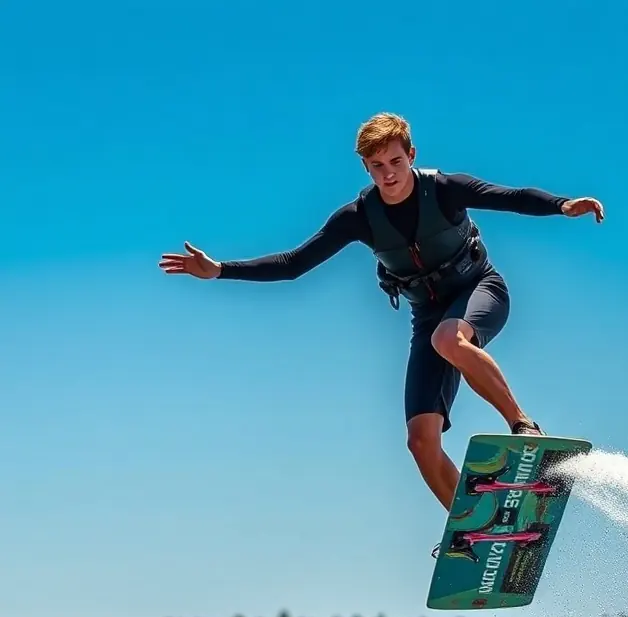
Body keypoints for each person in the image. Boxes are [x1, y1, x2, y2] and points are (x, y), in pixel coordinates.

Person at [159, 112, 603, 534]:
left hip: (478, 291)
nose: (388, 173)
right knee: (420, 441)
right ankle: (475, 530)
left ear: (411, 155)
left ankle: (524, 427)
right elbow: (295, 263)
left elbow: (509, 197)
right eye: (376, 166)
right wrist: (220, 270)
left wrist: (563, 205)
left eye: (395, 161)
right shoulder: (358, 218)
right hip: (427, 317)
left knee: (449, 337)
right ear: (366, 167)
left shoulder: (444, 189)